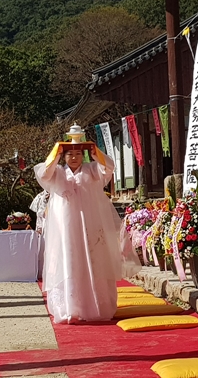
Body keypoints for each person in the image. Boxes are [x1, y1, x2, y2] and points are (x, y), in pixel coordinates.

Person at [34, 124, 139, 323]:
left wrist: (95, 151)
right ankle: (69, 307)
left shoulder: (91, 170)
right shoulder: (57, 172)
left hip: (90, 223)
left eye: (77, 154)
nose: (73, 157)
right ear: (63, 157)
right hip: (65, 226)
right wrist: (55, 152)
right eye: (69, 154)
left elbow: (108, 167)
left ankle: (97, 306)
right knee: (69, 260)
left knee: (94, 258)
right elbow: (43, 174)